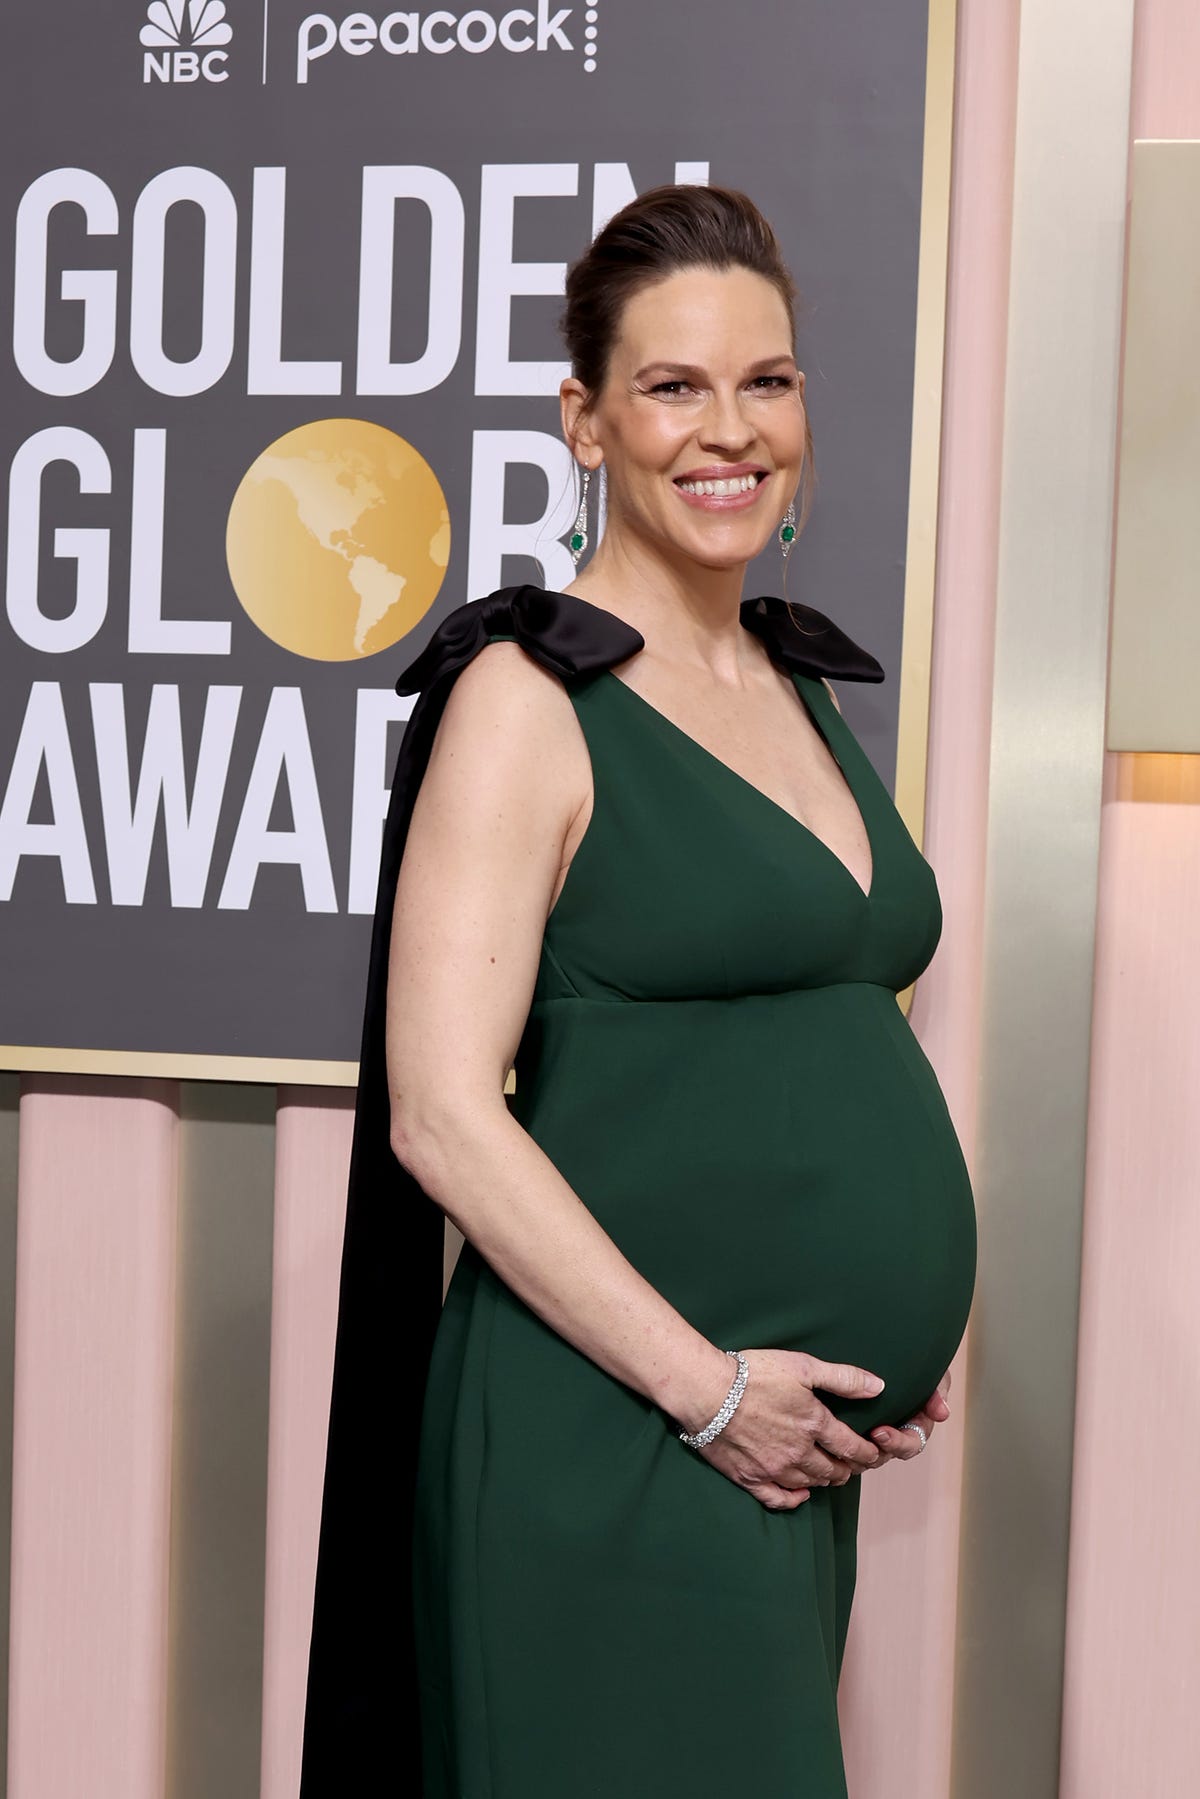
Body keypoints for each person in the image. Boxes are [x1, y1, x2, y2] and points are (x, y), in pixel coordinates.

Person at [299, 184, 977, 1798]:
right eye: (672, 387)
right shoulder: (527, 702)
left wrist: (864, 1313)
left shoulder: (792, 680)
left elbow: (805, 1047)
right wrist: (714, 1388)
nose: (729, 429)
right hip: (618, 1428)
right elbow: (445, 1119)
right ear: (585, 421)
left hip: (780, 1458)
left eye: (769, 380)